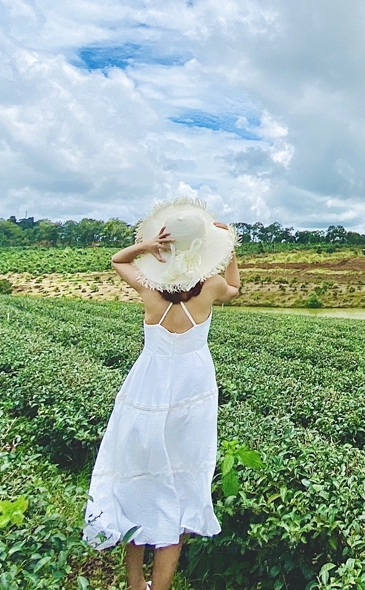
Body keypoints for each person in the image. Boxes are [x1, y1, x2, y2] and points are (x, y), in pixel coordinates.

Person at [83, 198, 240, 590]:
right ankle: (161, 585)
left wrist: (145, 246)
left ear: (164, 248)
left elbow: (119, 261)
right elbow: (235, 287)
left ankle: (136, 583)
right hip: (192, 390)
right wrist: (229, 247)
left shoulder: (149, 286)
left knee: (138, 481)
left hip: (147, 386)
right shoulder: (212, 287)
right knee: (182, 486)